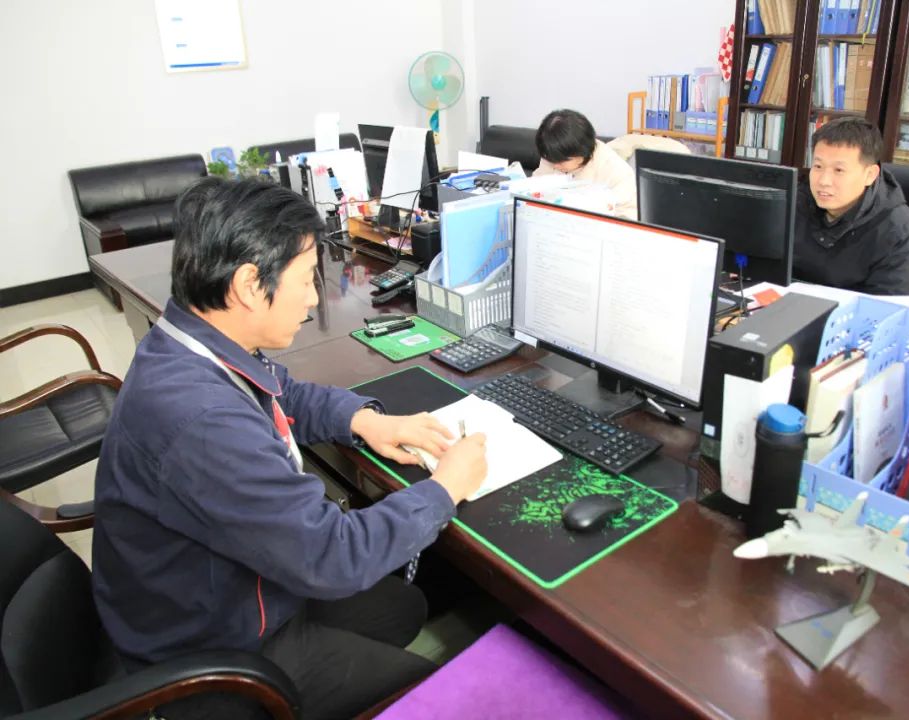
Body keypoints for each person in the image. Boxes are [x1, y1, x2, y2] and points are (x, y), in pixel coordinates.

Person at [92, 177, 488, 720]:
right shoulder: (202, 421)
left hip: (229, 589)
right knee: (427, 694)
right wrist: (446, 489)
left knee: (403, 607)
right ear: (248, 285)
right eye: (305, 279)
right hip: (213, 647)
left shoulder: (191, 343)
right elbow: (333, 555)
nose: (314, 297)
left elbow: (282, 391)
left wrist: (364, 419)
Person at [794, 117, 909, 296]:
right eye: (818, 166)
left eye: (839, 170)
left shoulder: (901, 234)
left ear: (870, 175)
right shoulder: (795, 202)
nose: (824, 181)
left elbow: (887, 307)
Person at [533, 108, 638, 219]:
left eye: (561, 161)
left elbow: (628, 217)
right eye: (550, 159)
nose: (555, 165)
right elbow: (534, 190)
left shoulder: (615, 171)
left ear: (583, 151)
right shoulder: (552, 154)